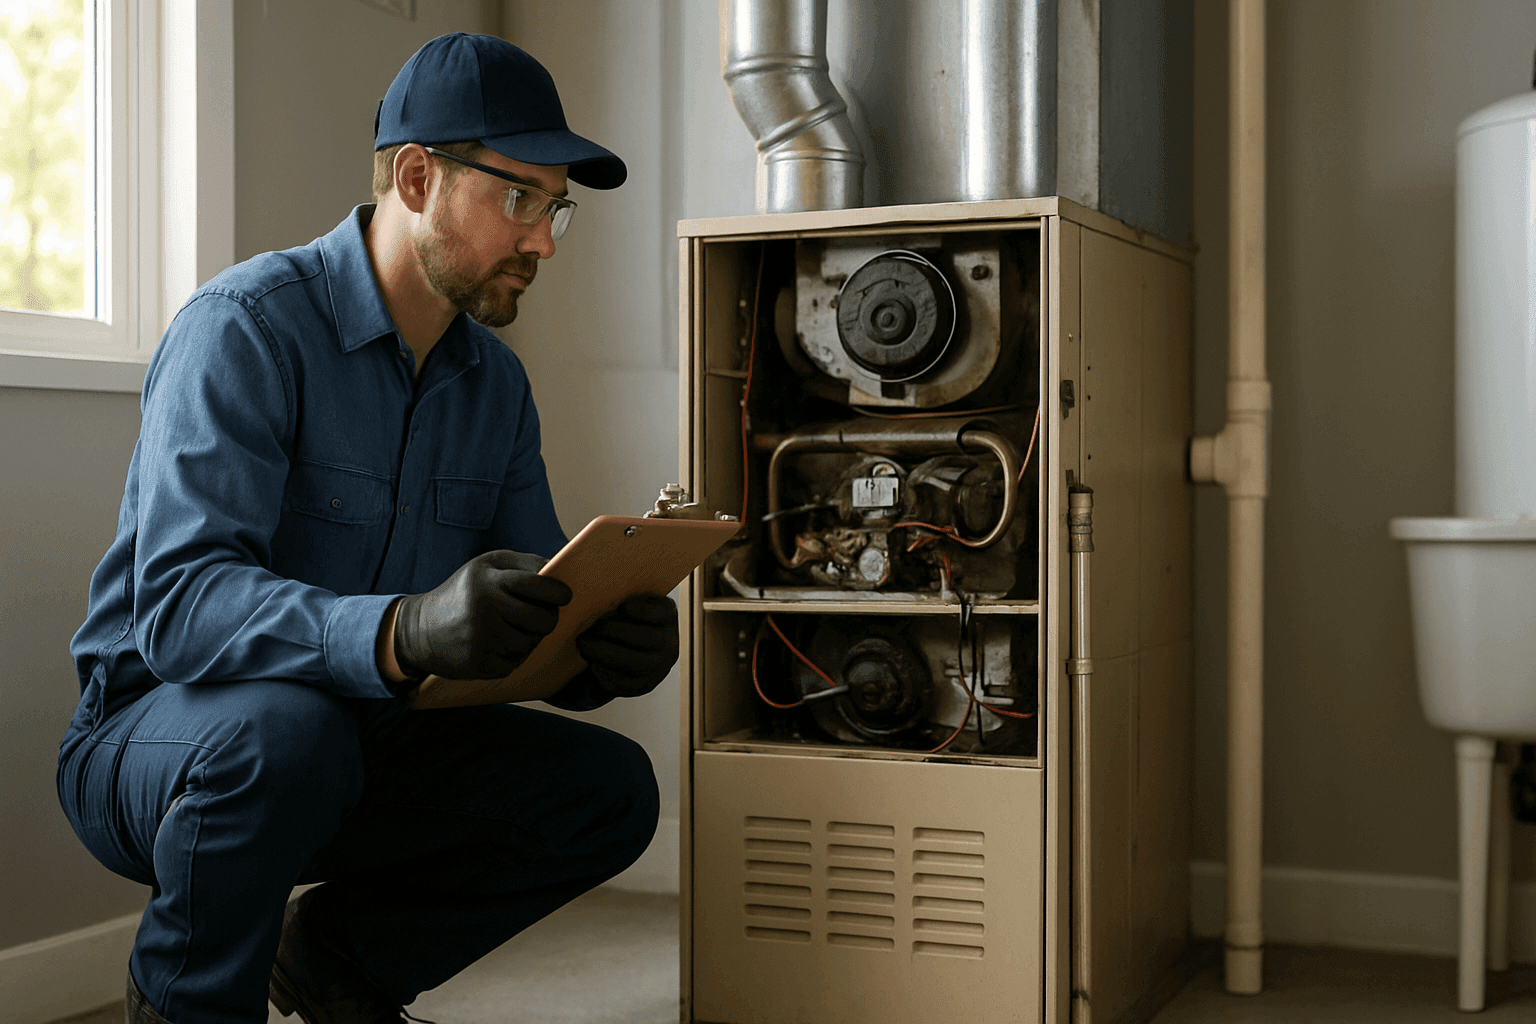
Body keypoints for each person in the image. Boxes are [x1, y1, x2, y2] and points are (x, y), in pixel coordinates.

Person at [57, 33, 676, 1024]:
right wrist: (398, 629)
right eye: (521, 198)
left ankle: (340, 965)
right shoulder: (245, 327)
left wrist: (597, 649)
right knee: (287, 731)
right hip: (155, 736)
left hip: (366, 743)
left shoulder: (496, 386)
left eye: (556, 207)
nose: (546, 240)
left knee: (610, 790)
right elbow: (177, 608)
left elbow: (525, 594)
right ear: (420, 177)